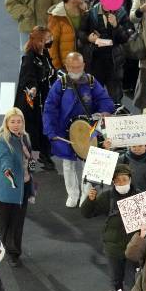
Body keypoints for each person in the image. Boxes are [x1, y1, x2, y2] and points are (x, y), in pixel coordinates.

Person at [42, 52, 115, 207]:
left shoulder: (91, 82)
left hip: (88, 129)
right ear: (67, 66)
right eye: (72, 67)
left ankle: (86, 195)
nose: (75, 70)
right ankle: (72, 194)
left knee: (88, 164)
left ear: (83, 65)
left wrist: (104, 111)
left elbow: (104, 99)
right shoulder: (60, 84)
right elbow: (50, 108)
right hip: (65, 131)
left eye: (78, 66)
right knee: (68, 164)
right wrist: (50, 130)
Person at [0, 109, 35, 267]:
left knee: (17, 223)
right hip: (7, 189)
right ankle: (9, 247)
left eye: (19, 121)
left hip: (23, 187)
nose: (16, 125)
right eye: (13, 122)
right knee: (5, 224)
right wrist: (7, 169)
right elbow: (4, 158)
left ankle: (13, 253)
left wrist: (31, 168)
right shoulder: (2, 140)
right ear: (7, 123)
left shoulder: (25, 138)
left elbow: (29, 161)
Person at [81, 164, 137, 291]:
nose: (121, 182)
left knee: (132, 281)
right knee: (115, 280)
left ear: (130, 179)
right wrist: (90, 200)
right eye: (117, 180)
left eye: (124, 179)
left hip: (134, 247)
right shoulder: (107, 196)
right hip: (113, 247)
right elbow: (87, 214)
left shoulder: (140, 196)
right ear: (113, 182)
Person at [15, 26, 57, 170]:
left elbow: (51, 71)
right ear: (39, 41)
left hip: (45, 99)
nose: (51, 41)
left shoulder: (44, 53)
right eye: (47, 39)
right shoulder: (29, 58)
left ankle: (45, 155)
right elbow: (28, 80)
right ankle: (27, 161)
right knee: (30, 133)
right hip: (32, 105)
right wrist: (33, 88)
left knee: (45, 128)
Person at [81, 0, 131, 105]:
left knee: (115, 97)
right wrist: (88, 38)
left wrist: (116, 25)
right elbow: (80, 33)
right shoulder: (90, 13)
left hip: (114, 60)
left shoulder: (121, 14)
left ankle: (115, 119)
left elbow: (126, 37)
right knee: (94, 95)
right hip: (95, 60)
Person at [47, 0, 89, 70]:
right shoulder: (57, 16)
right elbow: (52, 46)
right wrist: (57, 68)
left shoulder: (84, 10)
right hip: (67, 65)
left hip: (84, 63)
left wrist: (86, 12)